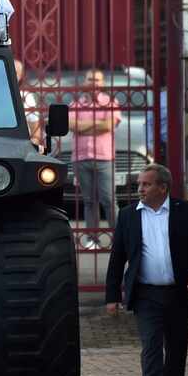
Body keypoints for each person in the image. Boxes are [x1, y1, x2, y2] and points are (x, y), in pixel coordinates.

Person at [105, 164, 188, 376]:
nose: (140, 188)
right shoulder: (129, 215)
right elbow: (117, 257)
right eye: (140, 184)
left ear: (163, 187)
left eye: (146, 184)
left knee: (176, 350)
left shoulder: (185, 211)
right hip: (146, 295)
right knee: (151, 346)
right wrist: (112, 297)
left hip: (179, 293)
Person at [68, 69, 122, 249]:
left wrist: (85, 127)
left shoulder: (111, 102)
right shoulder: (75, 104)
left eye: (97, 80)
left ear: (103, 82)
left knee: (109, 200)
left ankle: (119, 238)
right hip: (81, 158)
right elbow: (73, 126)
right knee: (89, 201)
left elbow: (108, 126)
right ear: (85, 82)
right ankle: (92, 239)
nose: (94, 83)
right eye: (90, 79)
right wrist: (96, 125)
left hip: (104, 157)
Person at [14, 60, 43, 145]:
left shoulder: (27, 97)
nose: (10, 74)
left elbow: (36, 131)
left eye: (15, 72)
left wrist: (31, 146)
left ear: (20, 77)